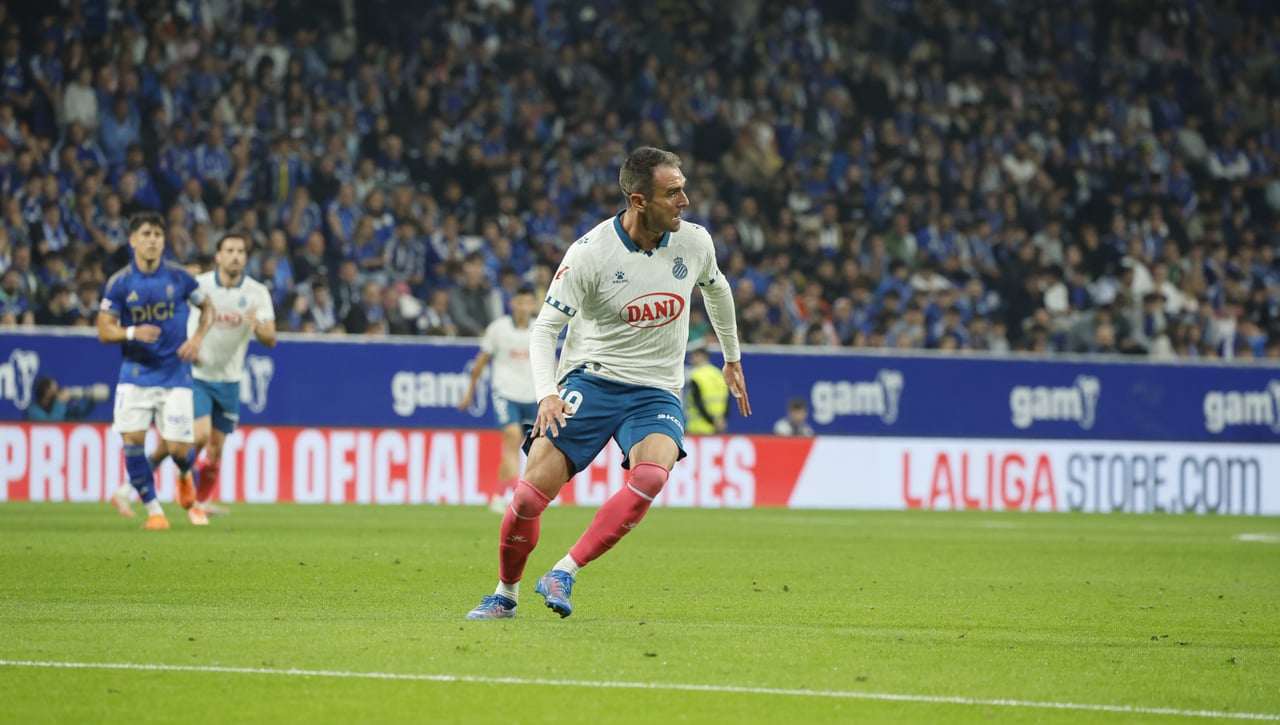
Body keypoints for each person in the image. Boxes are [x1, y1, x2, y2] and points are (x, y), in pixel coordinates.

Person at [465, 146, 750, 620]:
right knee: (527, 498)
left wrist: (732, 357)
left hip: (656, 388)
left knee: (652, 474)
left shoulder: (695, 243)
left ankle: (564, 571)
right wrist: (548, 393)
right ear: (639, 201)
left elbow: (717, 290)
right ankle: (505, 593)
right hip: (592, 380)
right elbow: (544, 330)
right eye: (672, 192)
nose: (685, 201)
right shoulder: (590, 254)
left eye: (683, 189)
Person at [98, 211, 214, 530]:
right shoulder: (120, 282)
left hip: (175, 374)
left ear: (164, 241)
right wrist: (132, 332)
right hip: (135, 374)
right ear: (132, 240)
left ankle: (185, 474)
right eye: (146, 234)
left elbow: (208, 308)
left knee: (178, 450)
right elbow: (104, 329)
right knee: (132, 443)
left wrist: (198, 338)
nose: (152, 240)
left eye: (158, 235)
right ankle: (155, 512)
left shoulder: (179, 278)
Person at [185, 232, 278, 525]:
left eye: (241, 250)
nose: (236, 255)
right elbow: (181, 317)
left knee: (216, 449)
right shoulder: (200, 286)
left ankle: (199, 504)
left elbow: (270, 338)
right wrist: (192, 342)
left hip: (230, 378)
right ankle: (183, 478)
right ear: (218, 256)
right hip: (199, 373)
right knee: (200, 436)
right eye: (230, 250)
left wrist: (257, 327)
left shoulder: (256, 293)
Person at [457, 286, 538, 514]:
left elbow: (549, 362)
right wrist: (469, 392)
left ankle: (496, 496)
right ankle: (518, 492)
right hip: (505, 392)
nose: (524, 308)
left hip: (531, 394)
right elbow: (481, 361)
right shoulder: (498, 329)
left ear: (533, 305)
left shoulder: (539, 329)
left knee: (518, 447)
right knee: (512, 438)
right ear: (512, 303)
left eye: (528, 303)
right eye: (520, 302)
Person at [683, 342, 729, 434]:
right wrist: (721, 420)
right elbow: (727, 400)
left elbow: (698, 402)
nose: (690, 359)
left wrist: (711, 420)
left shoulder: (695, 375)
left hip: (698, 427)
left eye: (693, 356)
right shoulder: (718, 374)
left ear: (701, 356)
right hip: (717, 428)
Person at [24, 376, 108, 421]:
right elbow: (51, 427)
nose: (58, 391)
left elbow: (78, 416)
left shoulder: (55, 406)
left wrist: (91, 399)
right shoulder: (33, 412)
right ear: (46, 392)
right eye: (55, 389)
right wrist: (60, 403)